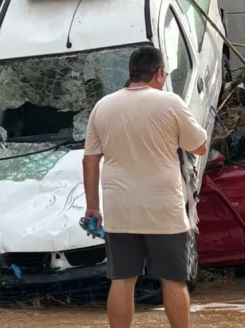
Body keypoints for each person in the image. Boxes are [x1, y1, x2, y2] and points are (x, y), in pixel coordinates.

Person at [82, 46, 208, 328]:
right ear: (159, 73)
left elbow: (90, 161)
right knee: (173, 281)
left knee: (122, 280)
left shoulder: (103, 106)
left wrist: (92, 207)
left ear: (131, 73)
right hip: (163, 209)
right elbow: (199, 147)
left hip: (120, 209)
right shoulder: (171, 103)